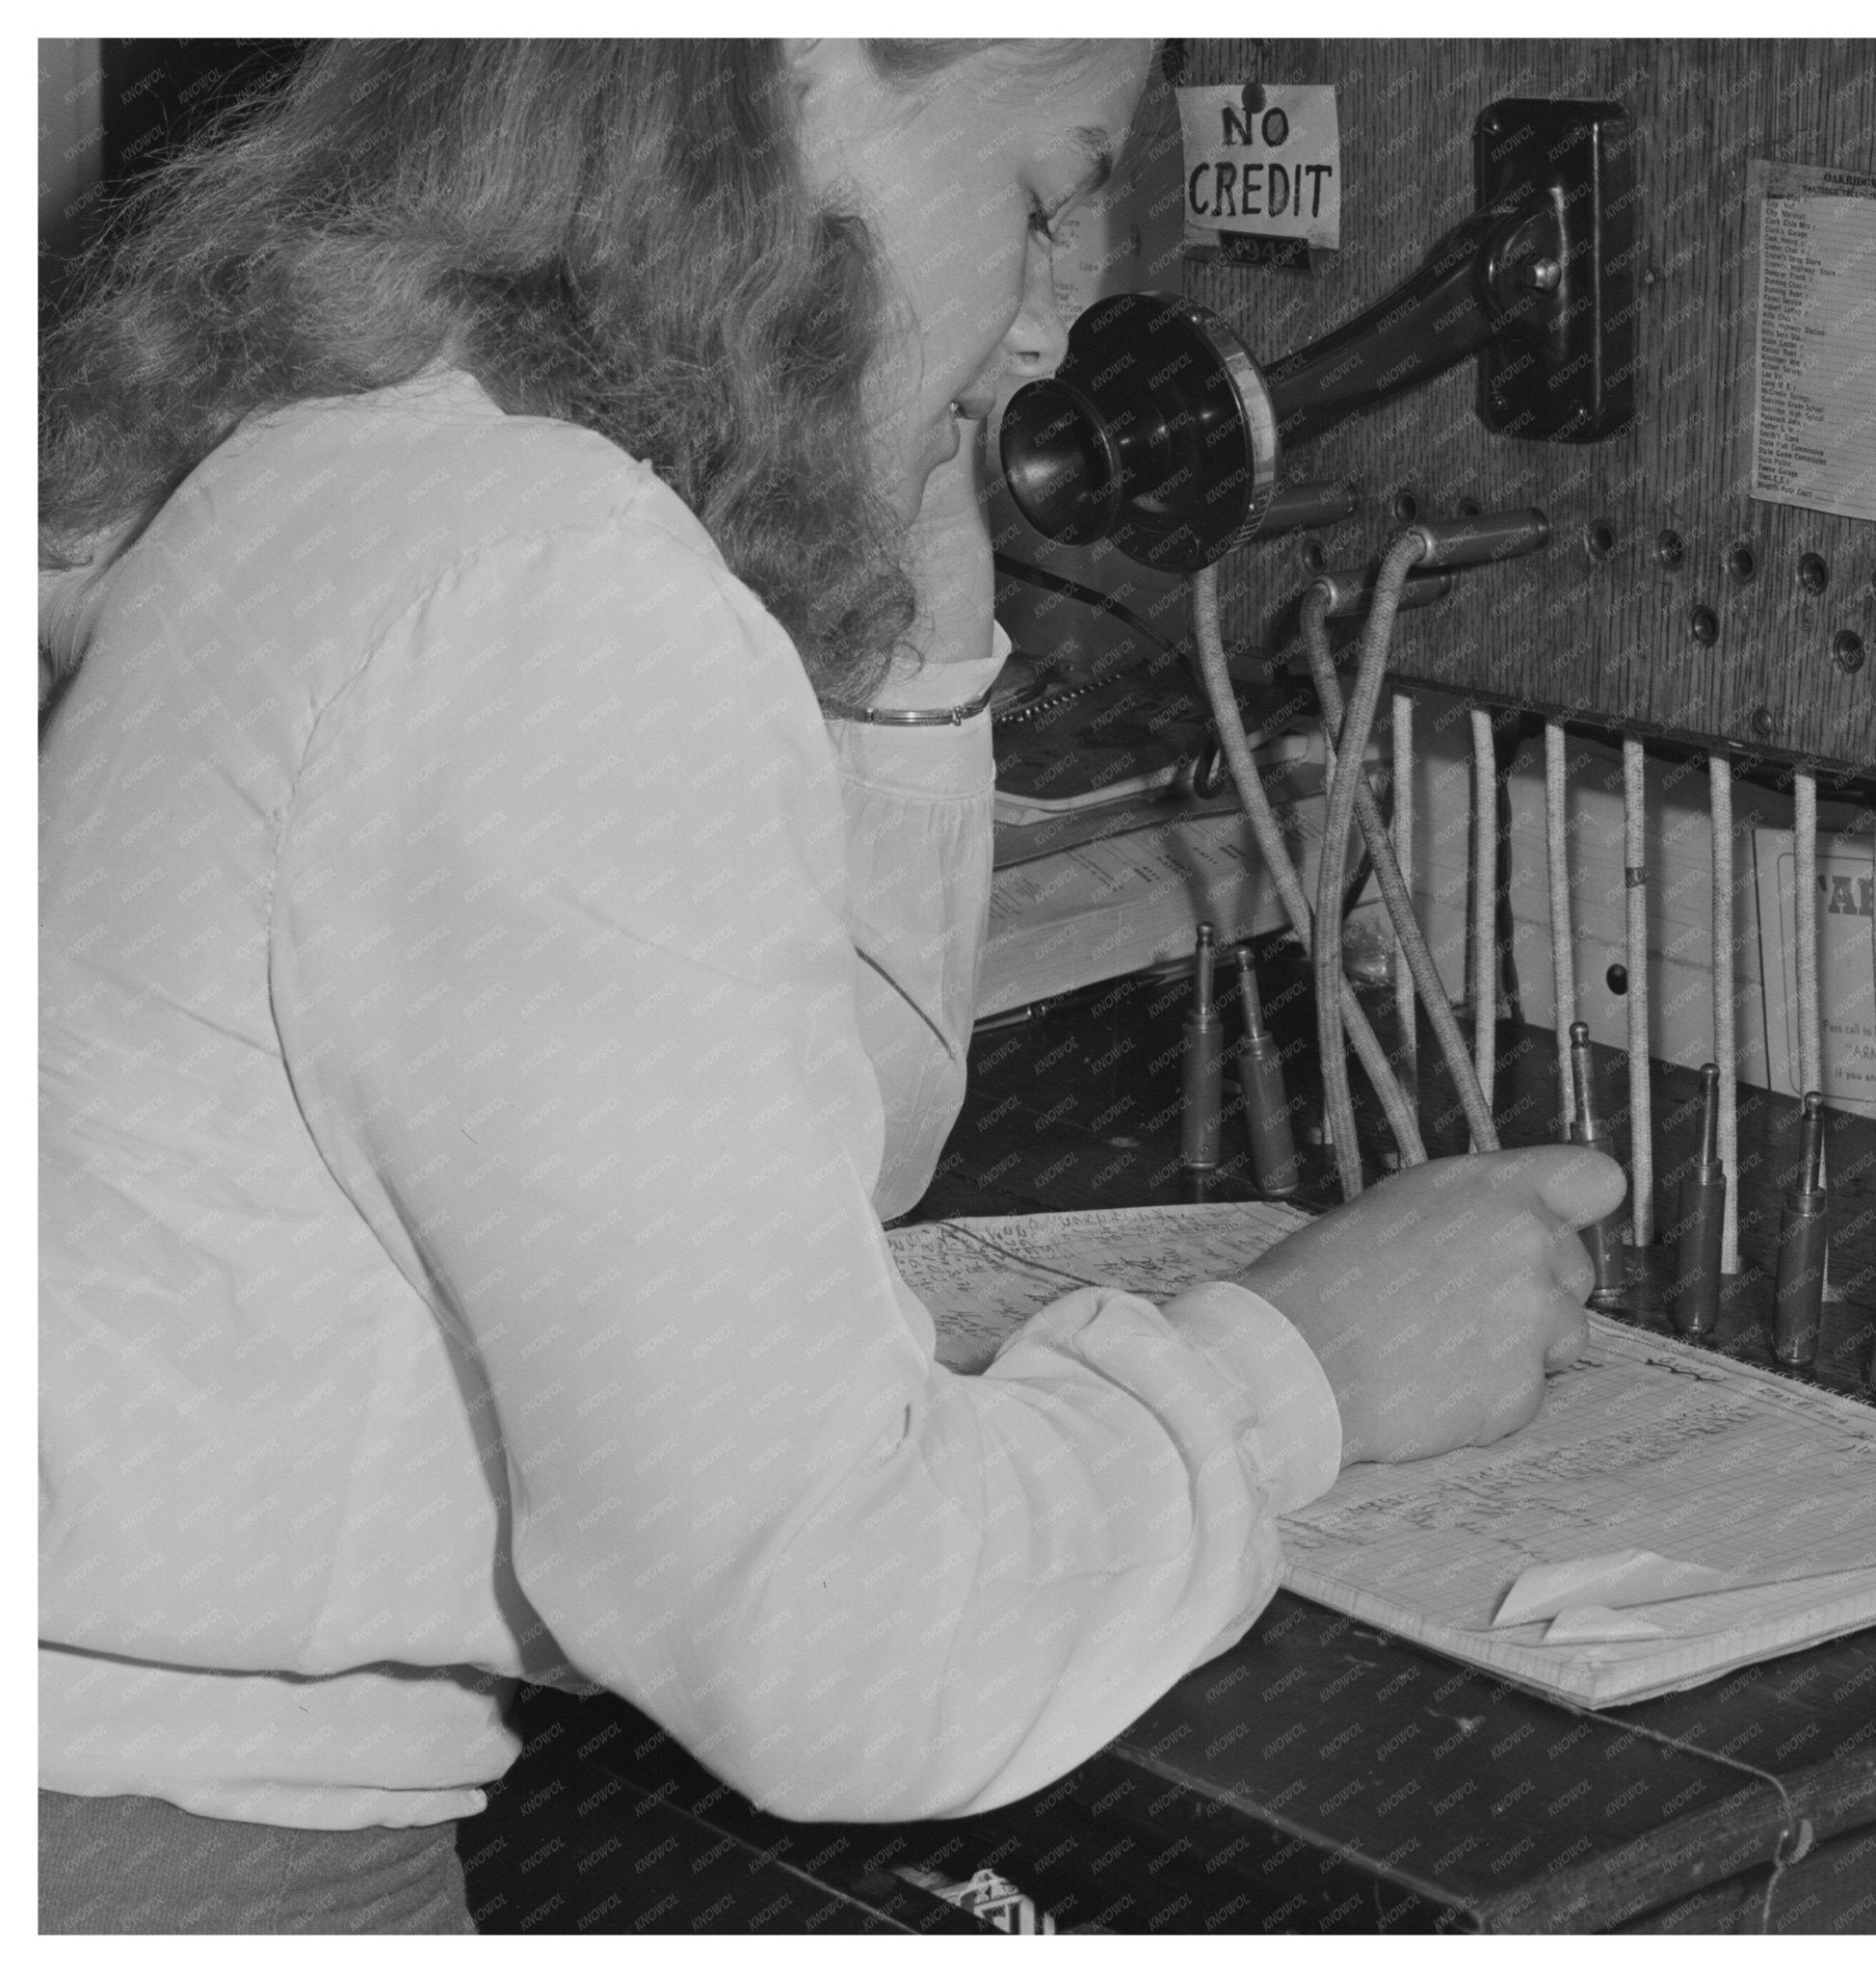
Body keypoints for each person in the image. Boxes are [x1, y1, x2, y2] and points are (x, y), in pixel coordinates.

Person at [39, 39, 1622, 1934]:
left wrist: (922, 639)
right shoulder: (546, 592)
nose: (1048, 327)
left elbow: (765, 1163)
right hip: (181, 1861)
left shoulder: (378, 477)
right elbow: (844, 1651)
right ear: (790, 79)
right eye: (1042, 195)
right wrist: (1305, 1368)